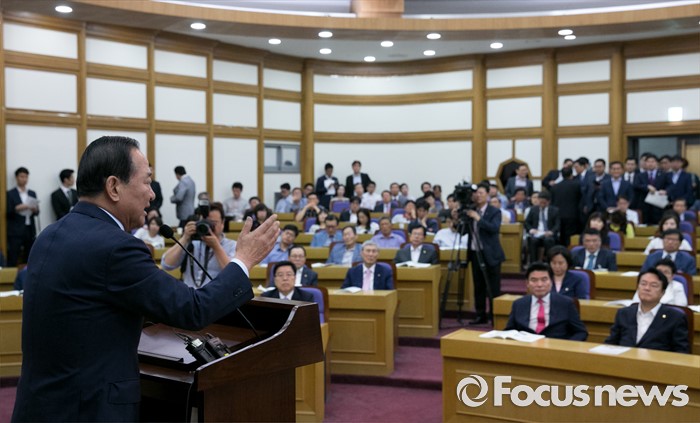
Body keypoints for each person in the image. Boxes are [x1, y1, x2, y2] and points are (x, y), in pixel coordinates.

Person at [11, 136, 280, 422]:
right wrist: (243, 260)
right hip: (90, 411)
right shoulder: (116, 247)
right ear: (114, 187)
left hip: (39, 407)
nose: (152, 195)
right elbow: (192, 309)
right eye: (147, 182)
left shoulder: (48, 236)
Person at [605, 269, 689, 353]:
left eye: (653, 285)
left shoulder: (675, 318)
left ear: (663, 292)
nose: (647, 288)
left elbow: (681, 352)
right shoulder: (624, 313)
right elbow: (611, 344)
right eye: (643, 284)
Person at [161, 202, 238, 288]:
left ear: (222, 223)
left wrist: (216, 247)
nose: (208, 227)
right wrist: (184, 238)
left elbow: (233, 274)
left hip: (215, 294)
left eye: (213, 223)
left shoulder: (232, 246)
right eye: (205, 222)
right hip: (189, 293)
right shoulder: (192, 242)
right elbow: (166, 264)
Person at [504, 262, 588, 341]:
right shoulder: (519, 304)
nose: (539, 284)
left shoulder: (566, 303)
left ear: (551, 282)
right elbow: (509, 331)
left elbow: (581, 332)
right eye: (534, 280)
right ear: (527, 283)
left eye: (544, 280)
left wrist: (565, 346)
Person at [466, 183, 505, 325]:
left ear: (487, 195)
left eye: (481, 193)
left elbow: (494, 228)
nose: (478, 196)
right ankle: (480, 314)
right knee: (478, 286)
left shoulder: (494, 211)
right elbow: (464, 231)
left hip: (491, 254)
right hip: (475, 253)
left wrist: (478, 218)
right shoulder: (471, 210)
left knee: (493, 287)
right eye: (476, 193)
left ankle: (495, 315)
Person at [6, 167, 39, 267]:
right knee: (13, 257)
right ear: (16, 178)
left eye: (26, 177)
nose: (24, 179)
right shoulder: (10, 194)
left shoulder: (32, 193)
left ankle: (26, 275)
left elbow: (37, 212)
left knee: (30, 256)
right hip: (16, 230)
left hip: (30, 229)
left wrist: (35, 210)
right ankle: (11, 276)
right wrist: (17, 208)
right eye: (22, 176)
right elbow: (7, 212)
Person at [524, 190, 560, 264]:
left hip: (548, 234)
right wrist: (531, 230)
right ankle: (533, 263)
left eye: (544, 203)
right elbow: (527, 222)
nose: (542, 204)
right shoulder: (533, 209)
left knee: (548, 241)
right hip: (536, 233)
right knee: (533, 241)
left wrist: (551, 232)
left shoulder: (555, 210)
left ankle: (549, 262)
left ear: (548, 202)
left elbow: (557, 224)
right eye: (540, 202)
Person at [550, 166, 582, 246]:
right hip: (572, 214)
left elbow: (552, 202)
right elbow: (581, 199)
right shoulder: (577, 185)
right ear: (571, 174)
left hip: (558, 215)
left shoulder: (555, 187)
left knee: (560, 236)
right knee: (570, 237)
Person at [635, 154, 664, 224]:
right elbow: (636, 185)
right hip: (644, 205)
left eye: (652, 161)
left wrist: (665, 191)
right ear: (645, 163)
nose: (650, 164)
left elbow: (671, 186)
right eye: (648, 162)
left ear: (657, 163)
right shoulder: (640, 175)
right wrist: (647, 187)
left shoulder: (663, 174)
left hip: (658, 205)